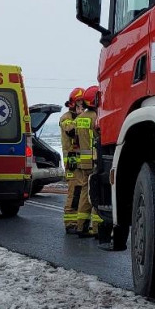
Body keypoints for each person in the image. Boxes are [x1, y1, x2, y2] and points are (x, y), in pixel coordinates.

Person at [73, 86, 101, 237]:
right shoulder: (96, 118)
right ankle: (97, 229)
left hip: (83, 162)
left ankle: (81, 227)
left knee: (85, 192)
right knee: (97, 192)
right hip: (95, 160)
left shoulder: (79, 118)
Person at [60, 88, 85, 233]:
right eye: (80, 103)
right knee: (73, 191)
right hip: (71, 160)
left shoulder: (82, 116)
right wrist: (81, 118)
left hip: (82, 160)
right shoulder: (66, 118)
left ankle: (80, 221)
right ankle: (70, 223)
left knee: (82, 191)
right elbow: (70, 130)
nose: (82, 106)